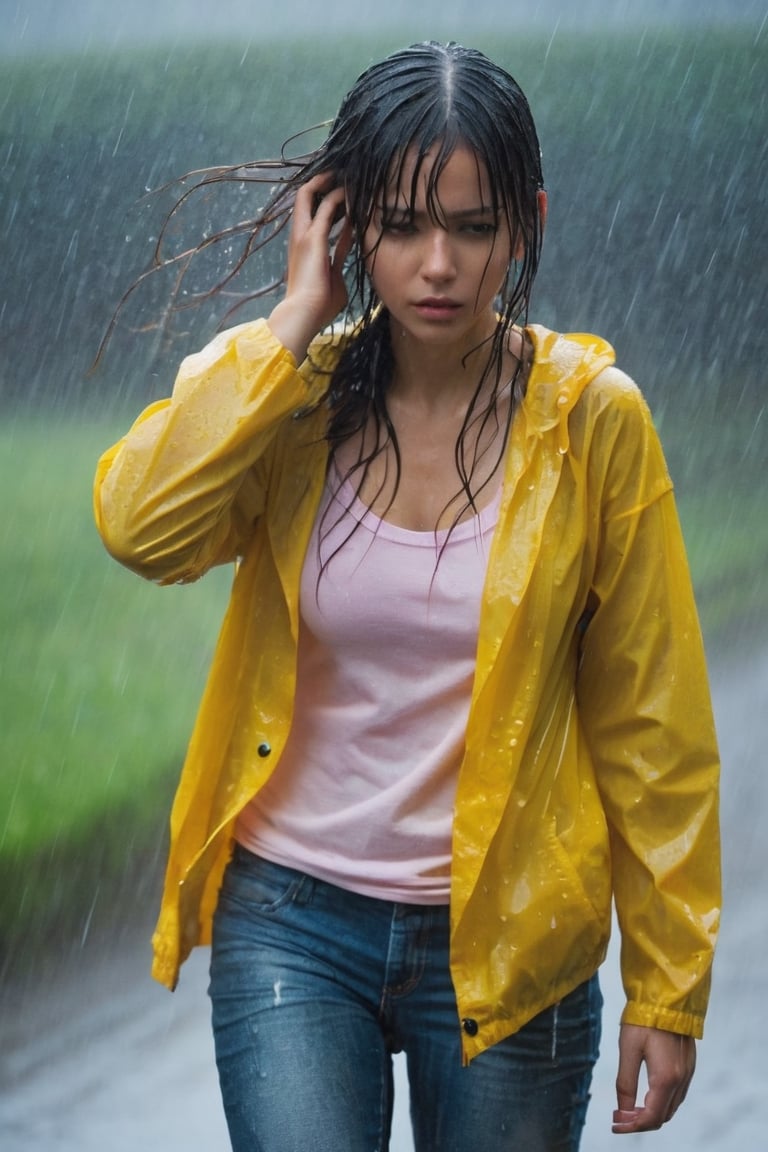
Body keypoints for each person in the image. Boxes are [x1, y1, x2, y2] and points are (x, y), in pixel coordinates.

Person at [93, 41, 721, 1152]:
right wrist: (293, 320)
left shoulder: (592, 422)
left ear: (524, 223)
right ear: (346, 226)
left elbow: (651, 719)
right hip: (293, 921)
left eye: (474, 228)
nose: (440, 265)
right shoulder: (292, 406)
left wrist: (668, 988)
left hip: (514, 932)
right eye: (401, 225)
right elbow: (141, 528)